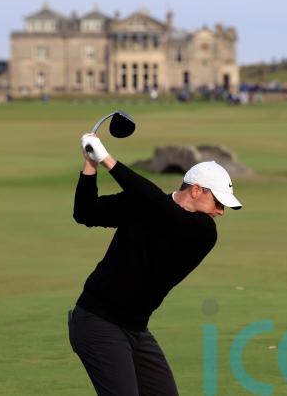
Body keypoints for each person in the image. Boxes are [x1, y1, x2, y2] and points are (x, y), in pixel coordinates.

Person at [68, 133, 242, 395]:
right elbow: (85, 212)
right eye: (218, 201)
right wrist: (91, 164)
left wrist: (107, 159)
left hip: (135, 329)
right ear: (196, 190)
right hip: (96, 321)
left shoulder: (204, 232)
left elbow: (159, 206)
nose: (221, 211)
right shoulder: (144, 203)